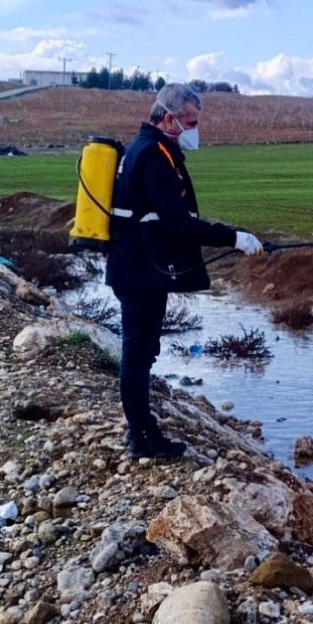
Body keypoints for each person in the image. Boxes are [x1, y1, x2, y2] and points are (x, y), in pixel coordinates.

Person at [106, 82, 262, 459]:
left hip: (141, 269)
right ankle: (141, 438)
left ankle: (142, 428)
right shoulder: (151, 155)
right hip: (138, 272)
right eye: (190, 121)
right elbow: (177, 222)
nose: (195, 129)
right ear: (168, 117)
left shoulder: (154, 149)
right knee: (138, 353)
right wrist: (233, 238)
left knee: (143, 352)